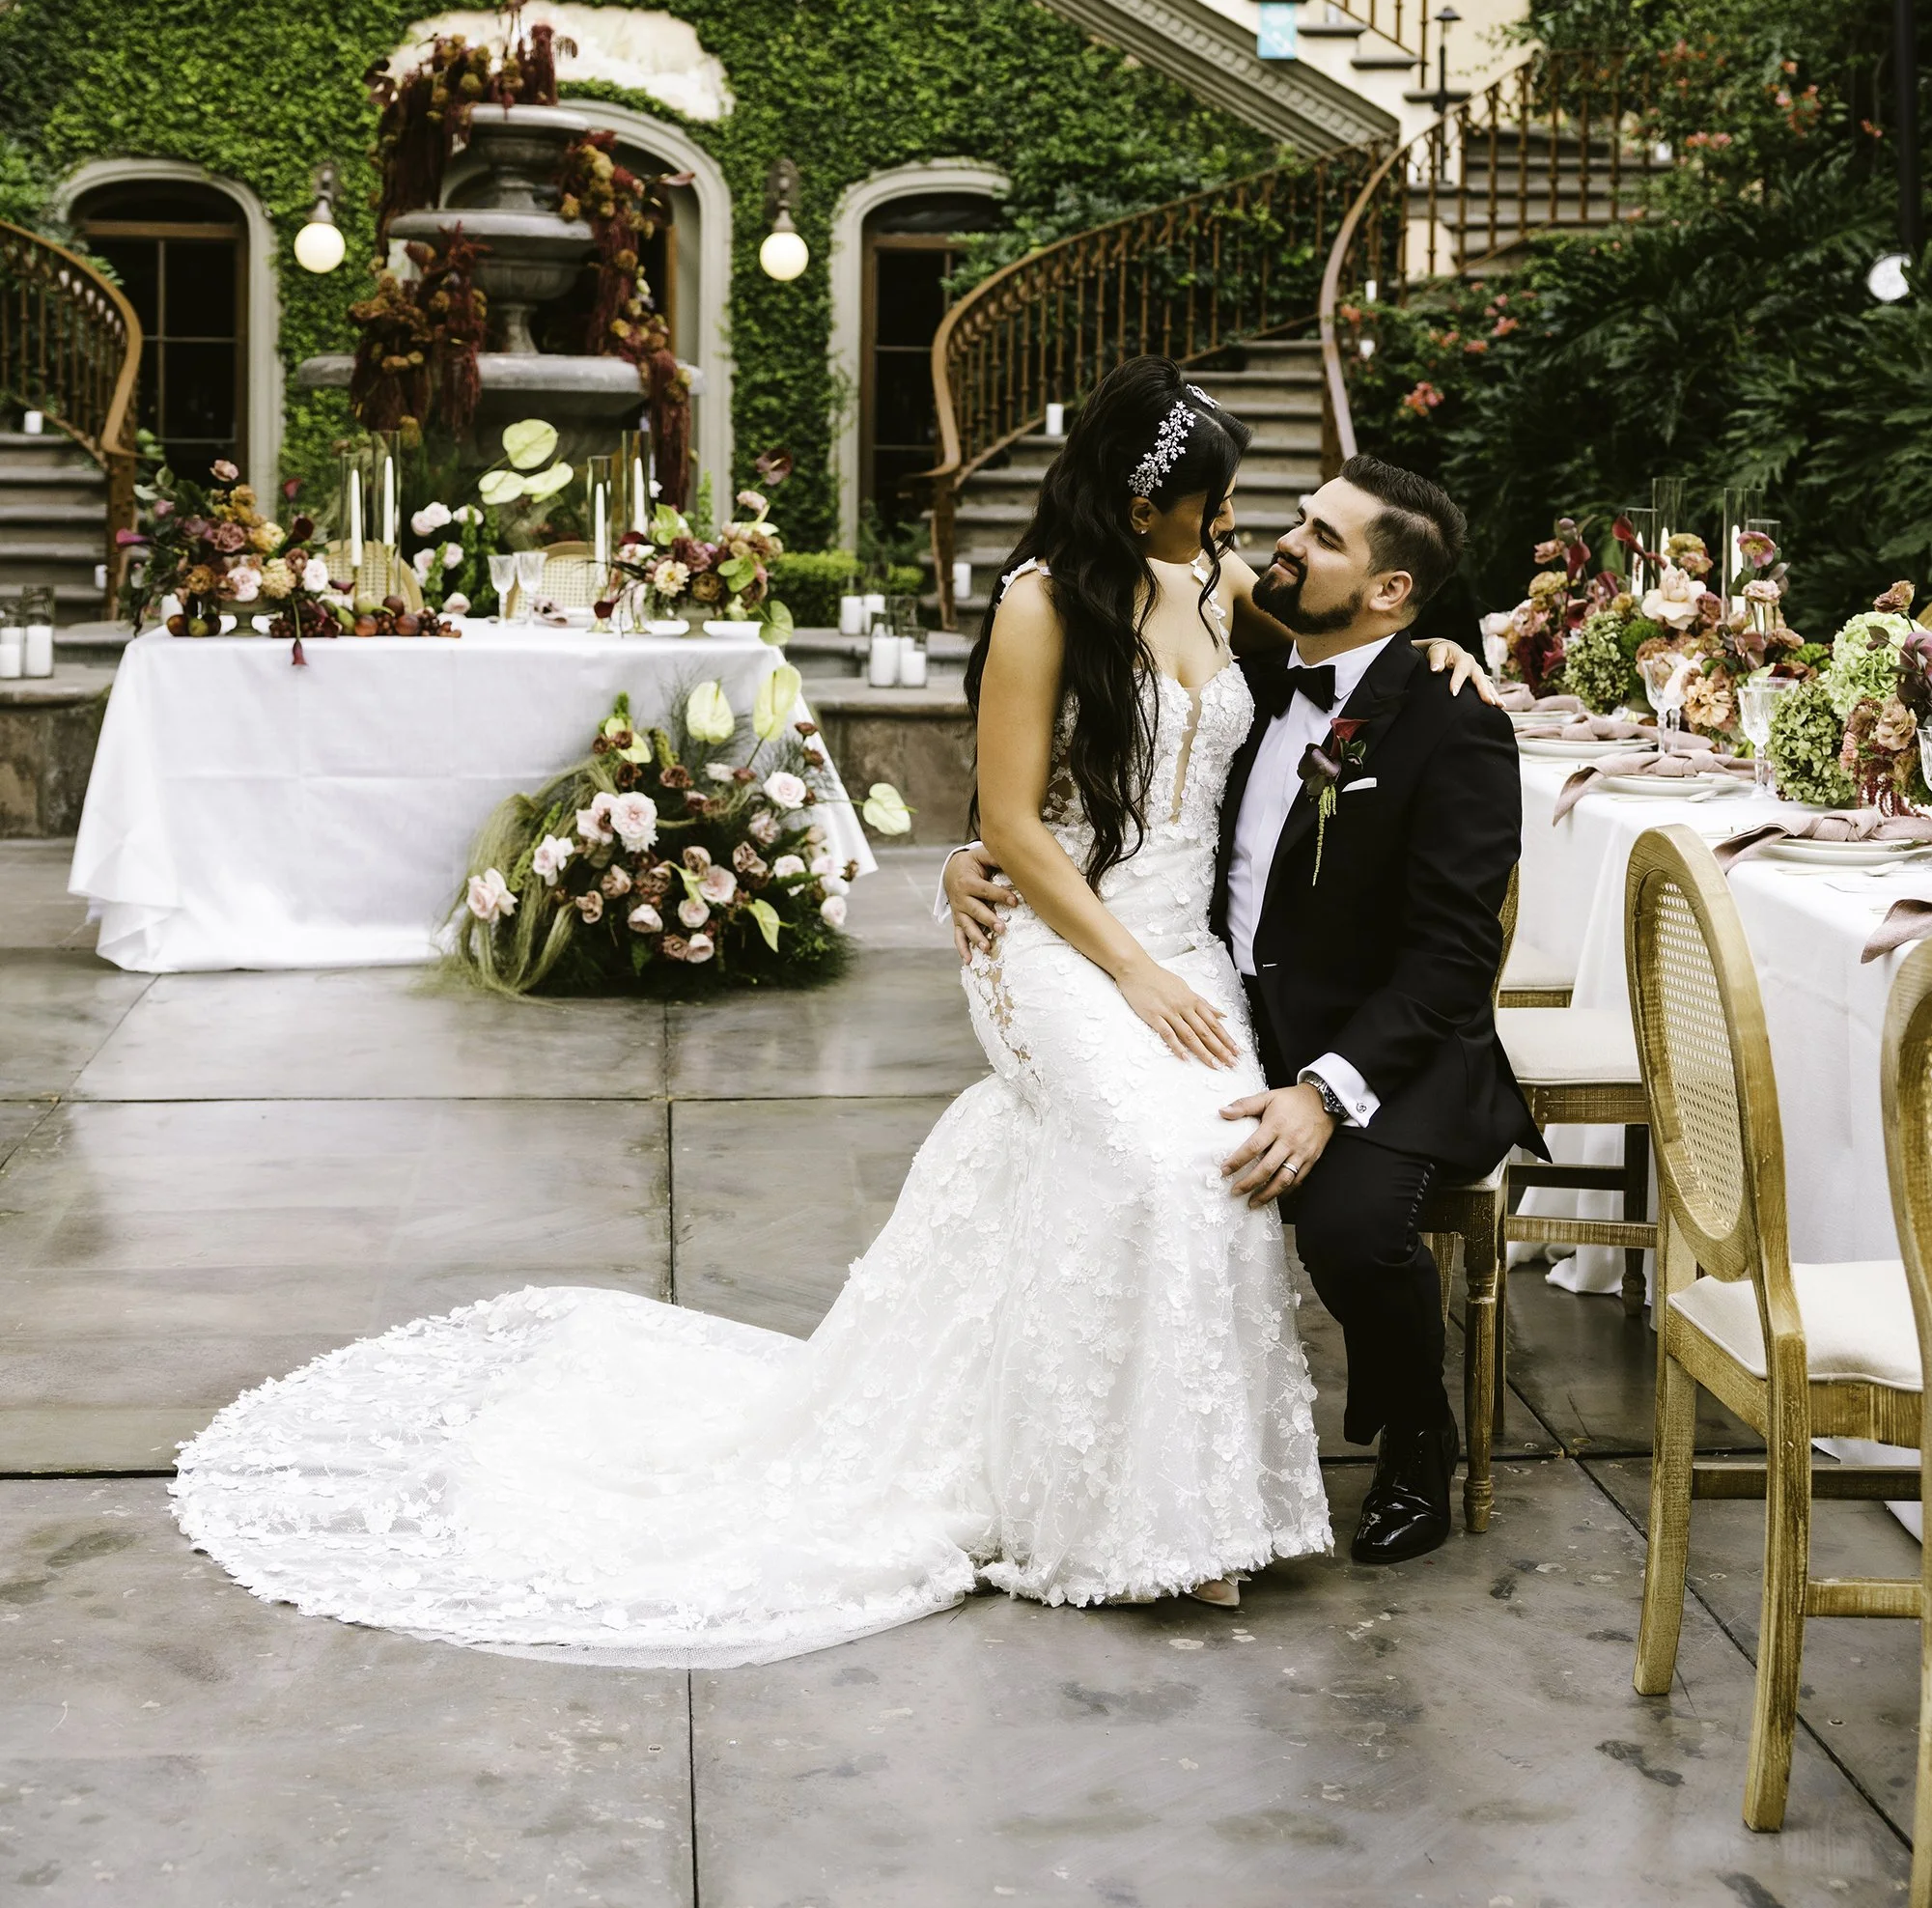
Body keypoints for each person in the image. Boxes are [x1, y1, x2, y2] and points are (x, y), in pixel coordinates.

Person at [176, 358, 1356, 1662]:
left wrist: (1454, 669)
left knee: (1223, 1160)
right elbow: (1011, 826)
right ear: (1144, 508)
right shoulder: (1040, 606)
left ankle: (1174, 1499)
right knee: (1146, 1162)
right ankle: (1134, 1530)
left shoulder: (1220, 583)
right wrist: (1126, 967)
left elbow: (1359, 658)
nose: (1235, 520)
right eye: (1214, 499)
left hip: (1188, 948)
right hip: (1063, 949)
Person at [947, 447, 1538, 1569]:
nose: (1281, 540)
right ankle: (1117, 1441)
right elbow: (1099, 784)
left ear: (1389, 592)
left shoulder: (1452, 722)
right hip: (1232, 1011)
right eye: (1298, 518)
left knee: (1351, 1228)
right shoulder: (1256, 673)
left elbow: (1454, 959)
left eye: (1320, 536)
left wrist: (1325, 1092)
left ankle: (1420, 1435)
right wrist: (969, 858)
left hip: (1390, 1048)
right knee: (1159, 1163)